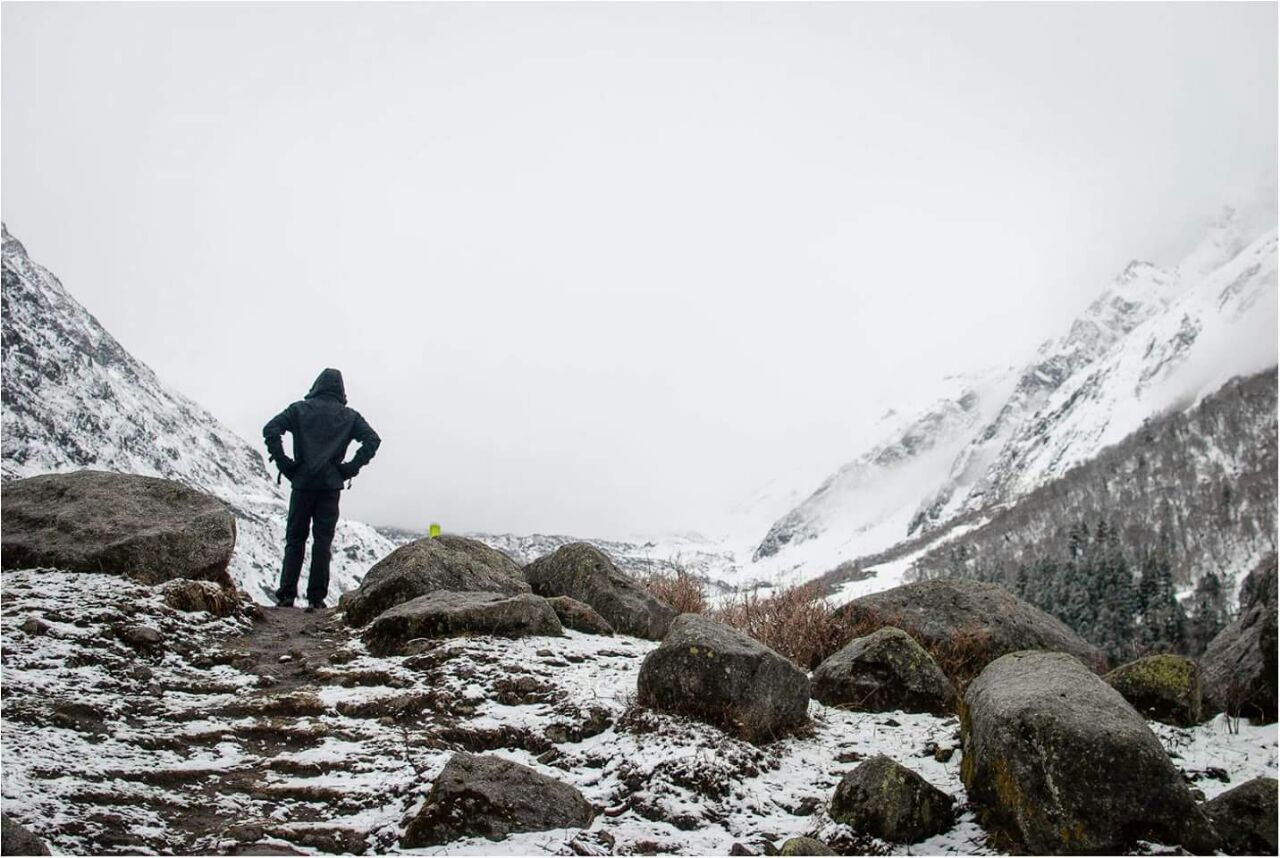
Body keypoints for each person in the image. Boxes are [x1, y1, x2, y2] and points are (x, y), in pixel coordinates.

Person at [263, 368, 380, 611]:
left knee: (295, 539)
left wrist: (286, 464)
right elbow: (372, 440)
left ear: (316, 385)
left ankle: (286, 595)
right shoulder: (349, 416)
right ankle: (316, 597)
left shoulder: (298, 410)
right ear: (341, 390)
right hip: (330, 485)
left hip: (302, 482)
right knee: (323, 541)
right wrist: (349, 469)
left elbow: (271, 429)